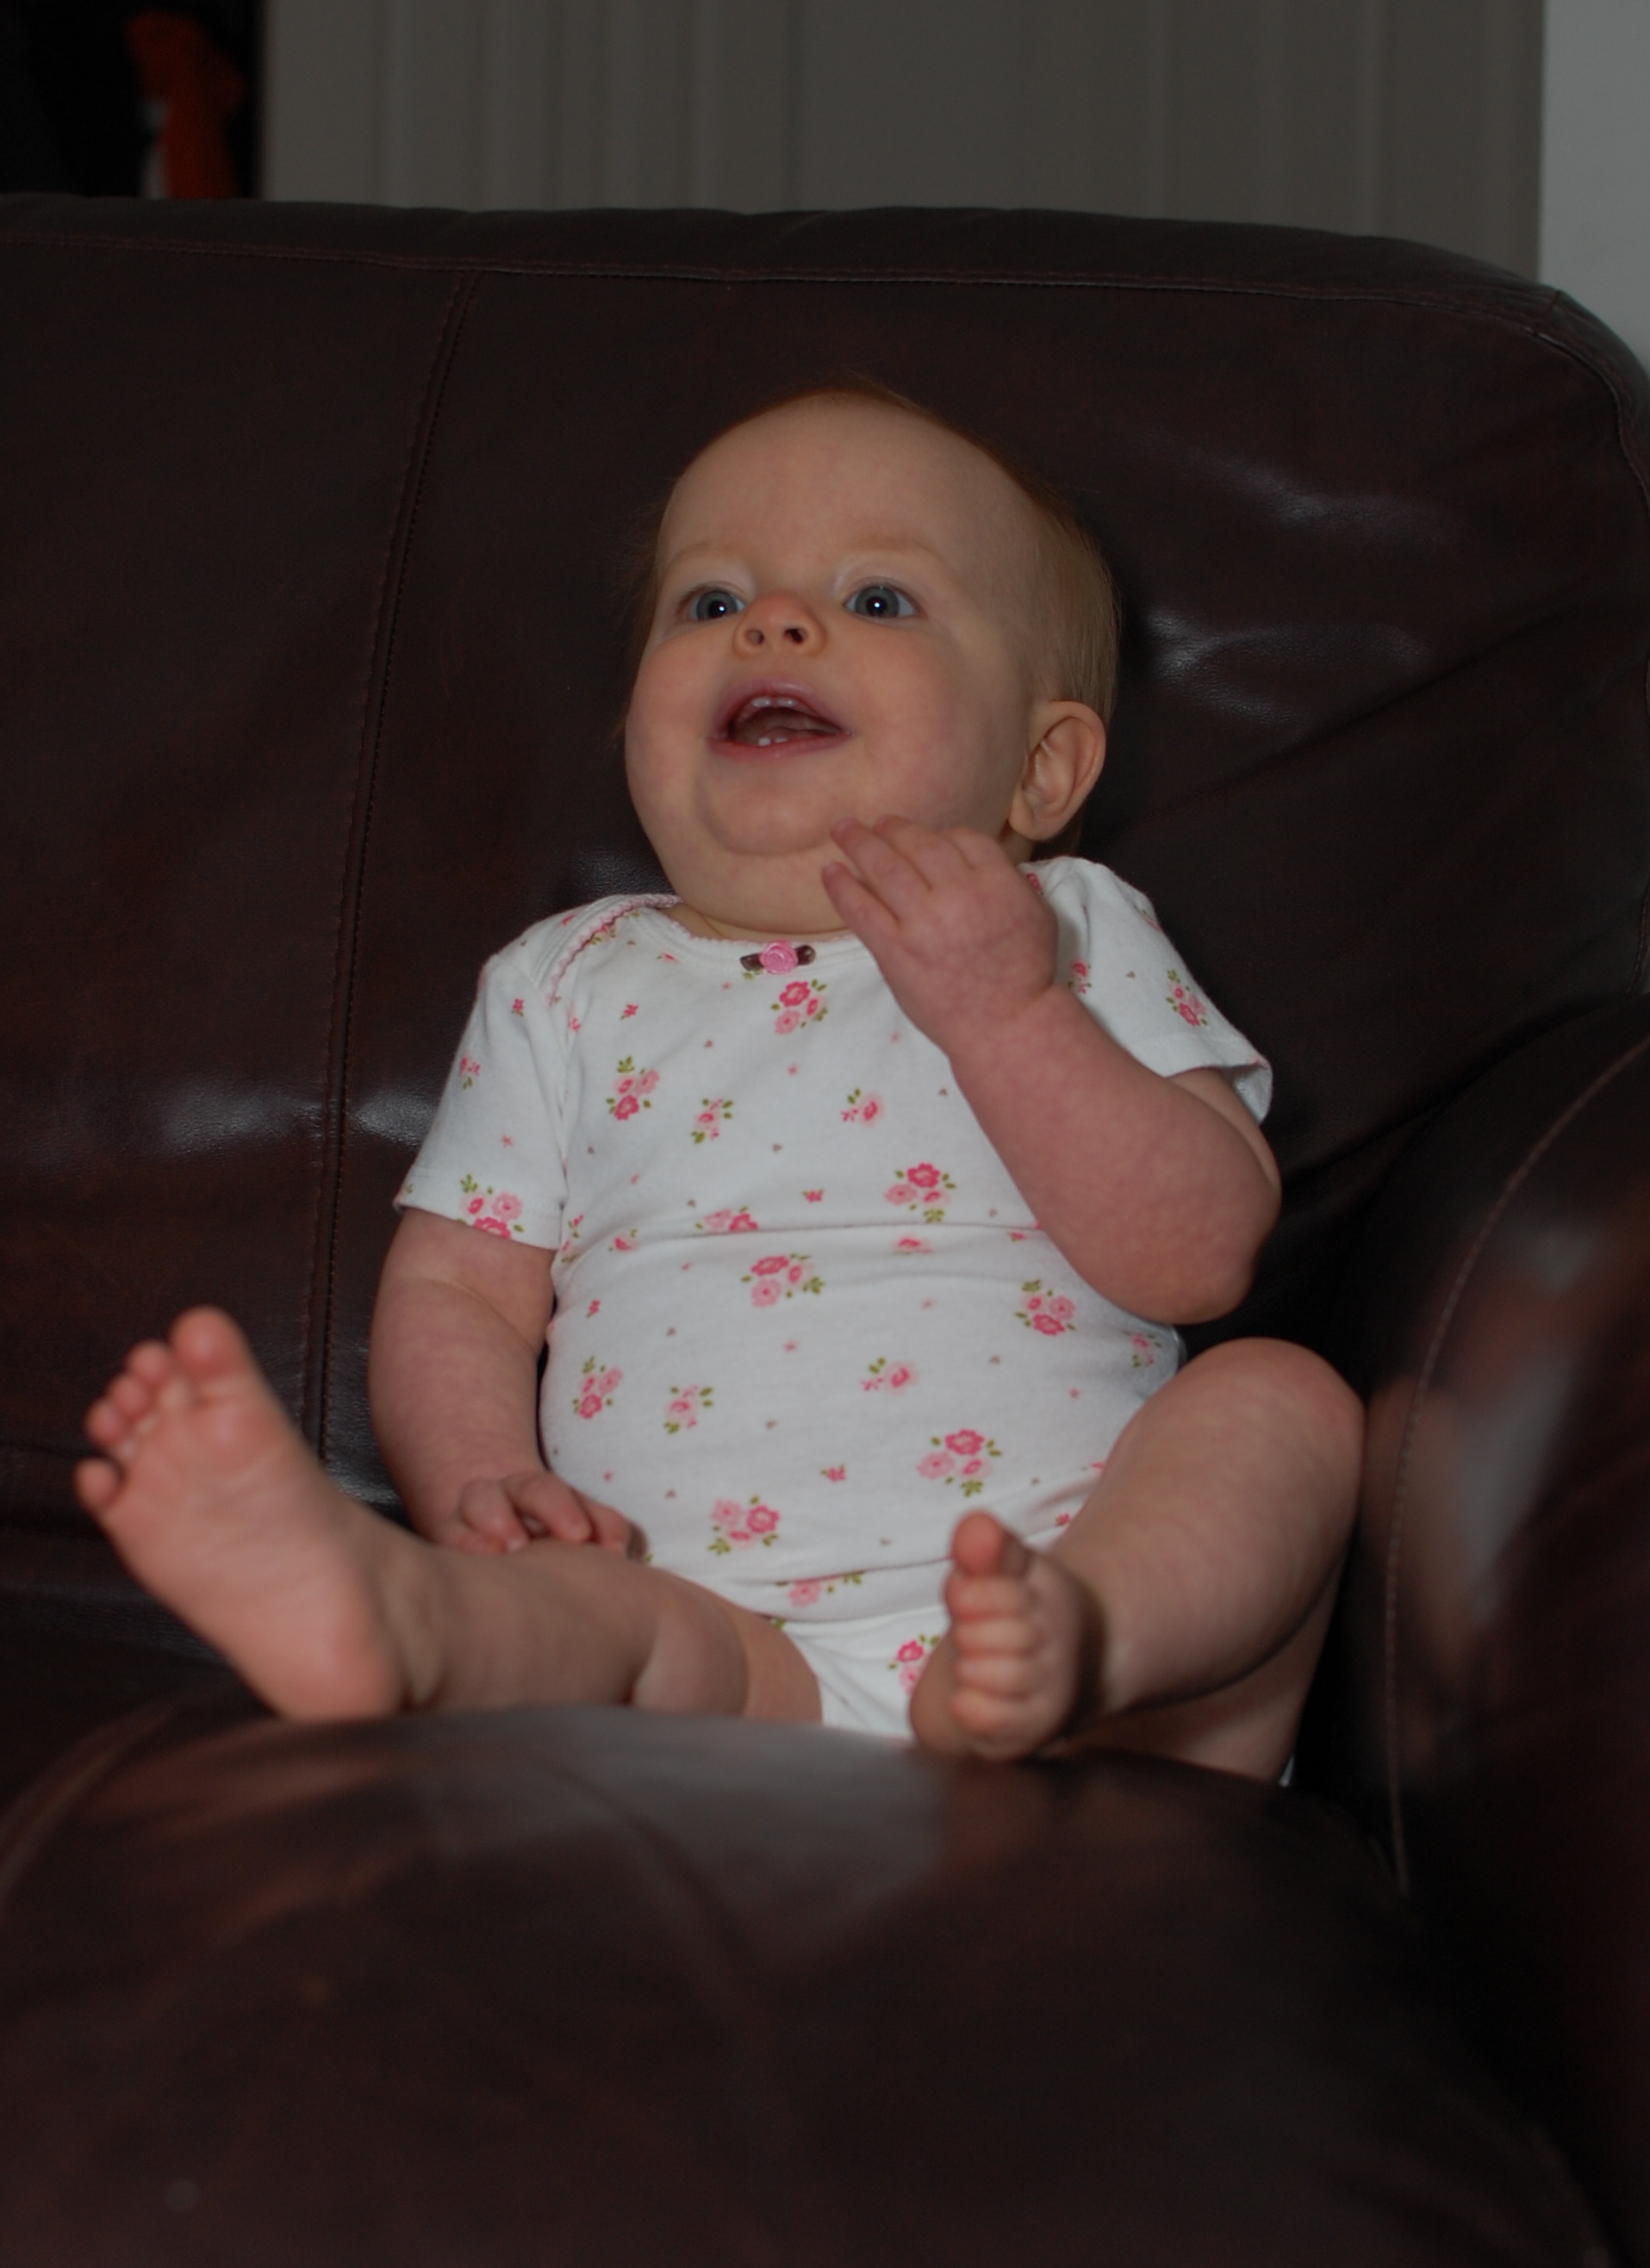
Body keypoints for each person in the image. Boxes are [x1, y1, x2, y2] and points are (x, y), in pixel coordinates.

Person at [75, 385, 1361, 1775]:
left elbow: (1199, 1257)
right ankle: (401, 1620)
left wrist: (1010, 1015)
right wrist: (478, 1485)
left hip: (1094, 1633)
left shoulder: (1067, 929)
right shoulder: (567, 983)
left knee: (1285, 1402)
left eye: (877, 599)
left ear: (1041, 772)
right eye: (711, 601)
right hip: (727, 1654)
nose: (776, 623)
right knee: (590, 1616)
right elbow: (461, 1289)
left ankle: (1073, 1639)